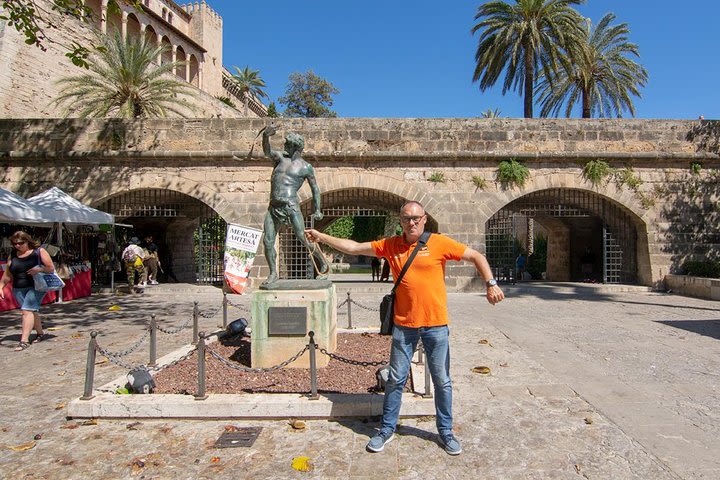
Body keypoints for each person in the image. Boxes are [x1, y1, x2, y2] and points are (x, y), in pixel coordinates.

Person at [305, 201, 505, 455]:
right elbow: (354, 246)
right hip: (404, 326)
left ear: (424, 220)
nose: (411, 222)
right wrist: (321, 236)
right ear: (401, 220)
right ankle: (386, 430)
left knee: (442, 381)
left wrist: (491, 283)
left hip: (436, 325)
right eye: (406, 218)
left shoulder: (439, 243)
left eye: (416, 218)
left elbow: (476, 255)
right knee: (396, 380)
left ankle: (446, 432)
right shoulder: (391, 245)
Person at [261, 125, 329, 286]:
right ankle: (272, 273)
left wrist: (317, 209)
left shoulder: (306, 167)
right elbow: (267, 152)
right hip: (274, 207)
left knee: (302, 238)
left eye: (287, 145)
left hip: (291, 206)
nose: (284, 147)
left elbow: (315, 189)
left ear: (295, 147)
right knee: (268, 241)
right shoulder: (280, 158)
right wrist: (265, 136)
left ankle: (323, 262)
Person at [0, 231, 56, 351]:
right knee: (31, 312)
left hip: (36, 287)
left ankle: (24, 341)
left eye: (20, 243)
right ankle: (40, 333)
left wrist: (39, 269)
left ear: (27, 241)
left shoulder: (39, 251)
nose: (18, 246)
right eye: (15, 243)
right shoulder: (13, 254)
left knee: (26, 311)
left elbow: (51, 268)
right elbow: (8, 274)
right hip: (18, 288)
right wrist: (1, 286)